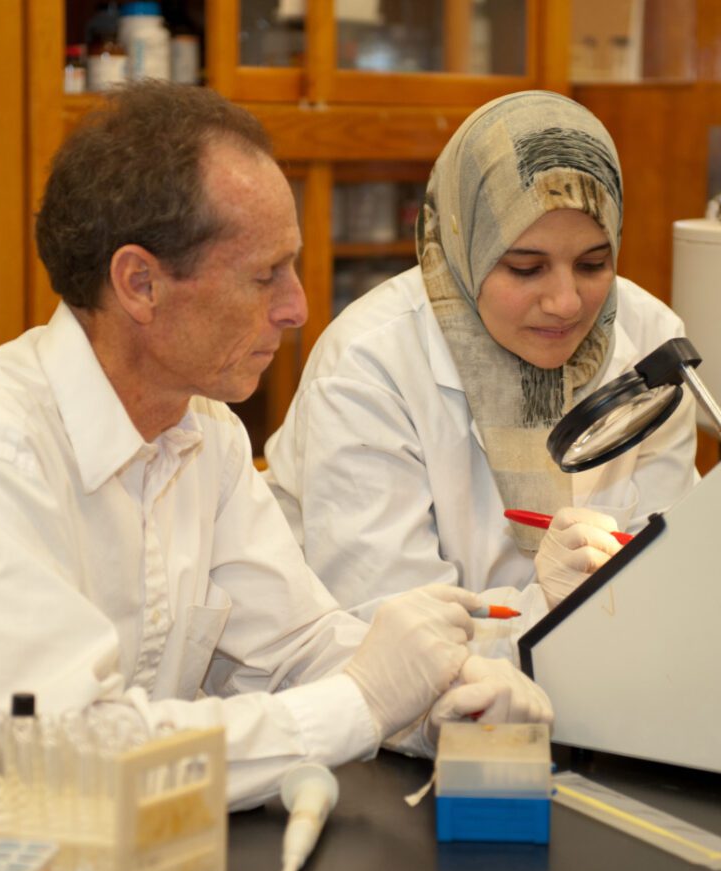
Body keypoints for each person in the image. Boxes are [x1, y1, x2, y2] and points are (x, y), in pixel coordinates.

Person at [0, 83, 549, 838]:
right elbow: (69, 758)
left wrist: (449, 688)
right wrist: (361, 700)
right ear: (139, 282)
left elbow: (292, 650)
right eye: (263, 274)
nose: (298, 307)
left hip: (95, 856)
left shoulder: (205, 432)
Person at [264, 90, 698, 631]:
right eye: (524, 267)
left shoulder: (650, 340)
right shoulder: (369, 364)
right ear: (463, 242)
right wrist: (547, 606)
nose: (566, 302)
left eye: (592, 264)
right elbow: (390, 624)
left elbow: (674, 573)